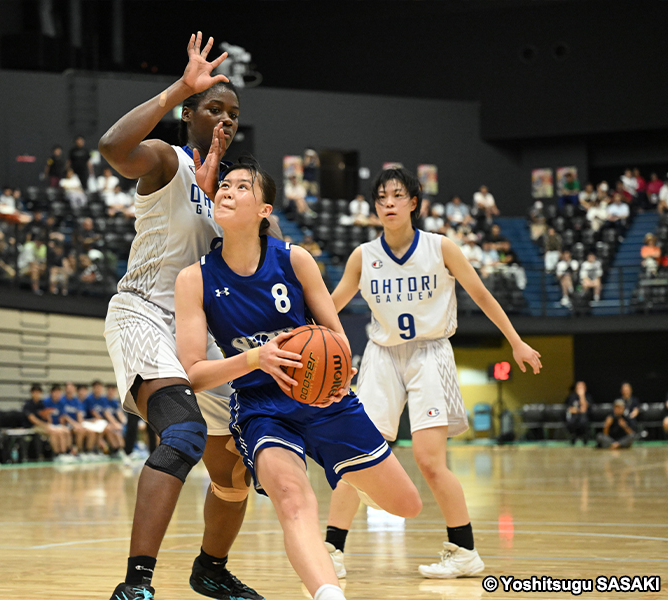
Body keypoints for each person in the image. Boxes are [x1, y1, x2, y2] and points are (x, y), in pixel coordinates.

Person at [174, 161, 422, 600]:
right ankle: (327, 593)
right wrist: (254, 358)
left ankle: (348, 471)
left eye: (241, 187)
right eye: (224, 186)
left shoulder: (296, 260)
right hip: (262, 409)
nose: (227, 191)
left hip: (325, 400)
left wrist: (337, 370)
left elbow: (339, 343)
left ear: (264, 209)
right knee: (293, 500)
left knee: (407, 506)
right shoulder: (194, 278)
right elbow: (193, 374)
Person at [98, 33, 263, 600]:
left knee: (233, 469)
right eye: (213, 107)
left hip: (195, 333)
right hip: (143, 313)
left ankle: (210, 570)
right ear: (190, 112)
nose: (224, 118)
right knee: (184, 432)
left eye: (233, 112)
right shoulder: (167, 160)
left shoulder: (224, 196)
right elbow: (113, 148)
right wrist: (177, 89)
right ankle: (135, 583)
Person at [321, 167, 541, 580]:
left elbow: (481, 293)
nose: (388, 203)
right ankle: (332, 550)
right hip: (381, 355)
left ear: (414, 202)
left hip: (429, 353)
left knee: (429, 461)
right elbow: (328, 306)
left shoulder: (441, 248)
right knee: (354, 456)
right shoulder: (363, 257)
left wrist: (516, 341)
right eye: (381, 197)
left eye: (397, 195)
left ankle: (464, 551)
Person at [23, 383, 74, 463]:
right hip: (34, 426)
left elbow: (46, 415)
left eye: (38, 393)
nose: (37, 394)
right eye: (35, 392)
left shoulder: (41, 404)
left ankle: (65, 453)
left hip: (44, 425)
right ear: (31, 393)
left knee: (62, 431)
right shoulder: (28, 405)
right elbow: (33, 419)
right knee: (53, 432)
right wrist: (45, 425)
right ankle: (57, 454)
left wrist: (48, 421)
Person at [565, 381, 592, 445]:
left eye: (581, 387)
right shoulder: (572, 397)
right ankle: (573, 437)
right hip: (574, 416)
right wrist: (579, 410)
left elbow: (585, 409)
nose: (580, 389)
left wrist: (582, 396)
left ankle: (584, 437)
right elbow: (570, 409)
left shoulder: (587, 397)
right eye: (578, 387)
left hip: (584, 416)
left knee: (583, 421)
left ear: (585, 388)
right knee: (571, 421)